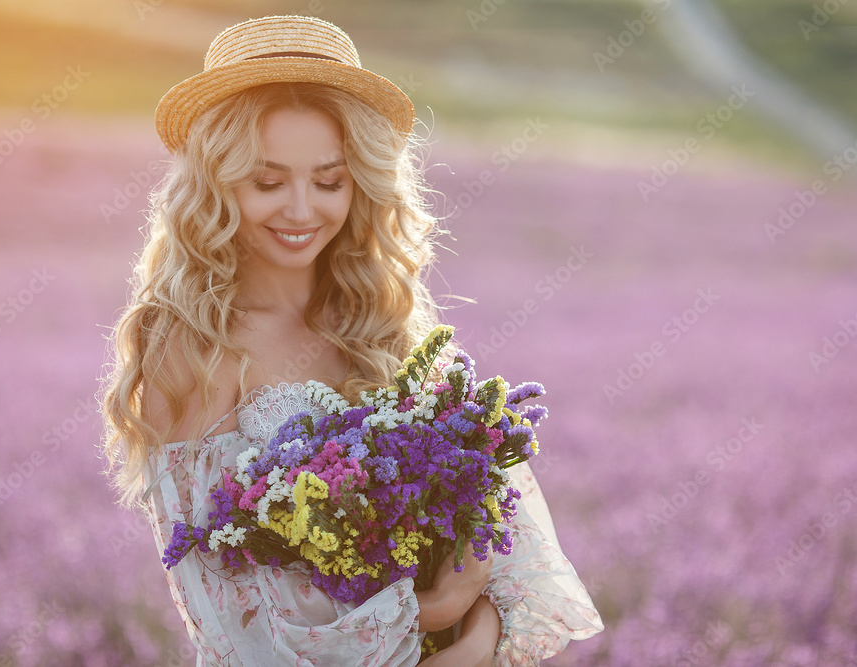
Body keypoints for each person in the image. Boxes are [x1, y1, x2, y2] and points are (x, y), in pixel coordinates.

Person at [101, 15, 602, 666]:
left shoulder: (381, 326)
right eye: (268, 181)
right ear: (216, 182)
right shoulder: (191, 344)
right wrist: (446, 615)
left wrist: (482, 626)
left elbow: (494, 534)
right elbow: (230, 616)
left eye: (329, 180)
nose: (303, 209)